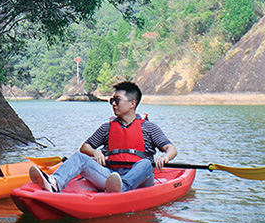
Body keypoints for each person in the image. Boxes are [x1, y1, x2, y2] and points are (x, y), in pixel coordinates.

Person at [30, 81, 177, 194]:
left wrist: (165, 157)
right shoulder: (107, 128)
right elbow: (85, 147)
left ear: (132, 104)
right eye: (112, 100)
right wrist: (96, 152)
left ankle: (122, 188)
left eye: (117, 100)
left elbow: (171, 149)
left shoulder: (149, 128)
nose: (113, 104)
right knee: (80, 157)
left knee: (145, 163)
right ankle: (54, 182)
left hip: (141, 179)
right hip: (112, 176)